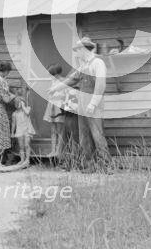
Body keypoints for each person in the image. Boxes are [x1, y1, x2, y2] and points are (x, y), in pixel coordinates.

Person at [50, 36, 110, 171]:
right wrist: (55, 88)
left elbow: (100, 86)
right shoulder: (83, 66)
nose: (76, 53)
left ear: (84, 49)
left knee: (97, 135)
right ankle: (90, 165)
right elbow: (71, 80)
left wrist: (93, 104)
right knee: (84, 137)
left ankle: (106, 166)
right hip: (82, 105)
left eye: (77, 50)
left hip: (93, 104)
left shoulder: (97, 63)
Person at [43, 64, 66, 158]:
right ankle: (53, 150)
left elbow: (65, 95)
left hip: (59, 106)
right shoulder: (53, 81)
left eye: (52, 74)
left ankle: (58, 151)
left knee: (60, 130)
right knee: (53, 130)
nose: (51, 76)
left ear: (57, 73)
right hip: (51, 105)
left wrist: (55, 94)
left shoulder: (64, 81)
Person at [11, 95, 36, 167]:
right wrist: (12, 132)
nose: (19, 104)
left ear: (23, 103)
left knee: (27, 145)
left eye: (20, 103)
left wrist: (23, 106)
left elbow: (27, 113)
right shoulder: (14, 114)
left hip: (27, 130)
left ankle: (27, 160)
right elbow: (13, 124)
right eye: (17, 103)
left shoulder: (27, 109)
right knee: (21, 146)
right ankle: (22, 159)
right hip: (19, 130)